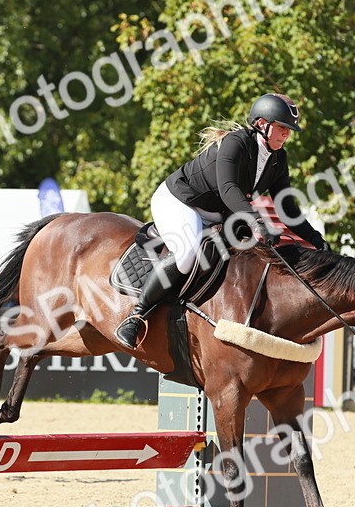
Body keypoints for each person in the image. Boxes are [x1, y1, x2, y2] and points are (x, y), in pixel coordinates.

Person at [114, 92, 328, 348]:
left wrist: (314, 237)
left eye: (289, 130)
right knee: (188, 251)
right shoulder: (235, 144)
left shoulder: (278, 159)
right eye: (282, 128)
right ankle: (136, 316)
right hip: (181, 201)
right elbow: (228, 189)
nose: (287, 135)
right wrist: (256, 221)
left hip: (221, 212)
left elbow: (287, 207)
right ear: (262, 124)